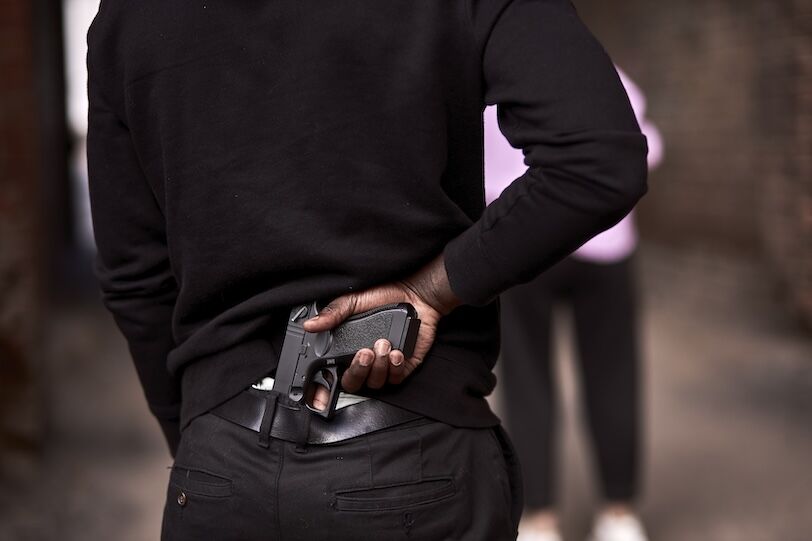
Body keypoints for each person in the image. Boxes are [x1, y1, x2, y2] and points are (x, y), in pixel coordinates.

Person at [86, 1, 648, 539]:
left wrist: (198, 434)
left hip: (217, 467)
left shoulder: (125, 17)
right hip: (412, 463)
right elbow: (597, 158)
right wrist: (429, 290)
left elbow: (134, 277)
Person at [485, 69, 663, 541]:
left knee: (526, 379)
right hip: (606, 245)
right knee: (614, 373)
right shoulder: (608, 75)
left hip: (523, 243)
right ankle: (619, 515)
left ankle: (540, 520)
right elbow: (648, 149)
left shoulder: (488, 79)